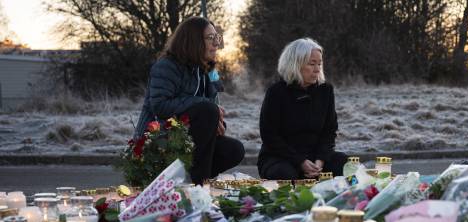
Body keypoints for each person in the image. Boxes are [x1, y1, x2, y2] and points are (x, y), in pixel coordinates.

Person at [134, 16, 244, 185]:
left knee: (234, 150)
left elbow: (208, 112)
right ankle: (200, 186)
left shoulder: (205, 71)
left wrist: (217, 121)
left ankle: (191, 180)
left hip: (188, 138)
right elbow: (160, 106)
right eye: (210, 38)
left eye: (217, 37)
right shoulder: (167, 65)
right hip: (158, 139)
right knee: (207, 109)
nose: (216, 43)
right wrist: (203, 106)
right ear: (193, 41)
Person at [257, 38, 347, 180]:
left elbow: (329, 131)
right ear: (295, 64)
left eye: (319, 63)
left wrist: (320, 160)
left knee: (346, 164)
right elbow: (269, 136)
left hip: (315, 159)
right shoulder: (276, 92)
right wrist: (300, 161)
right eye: (312, 64)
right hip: (280, 158)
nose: (317, 69)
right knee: (284, 174)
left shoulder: (326, 90)